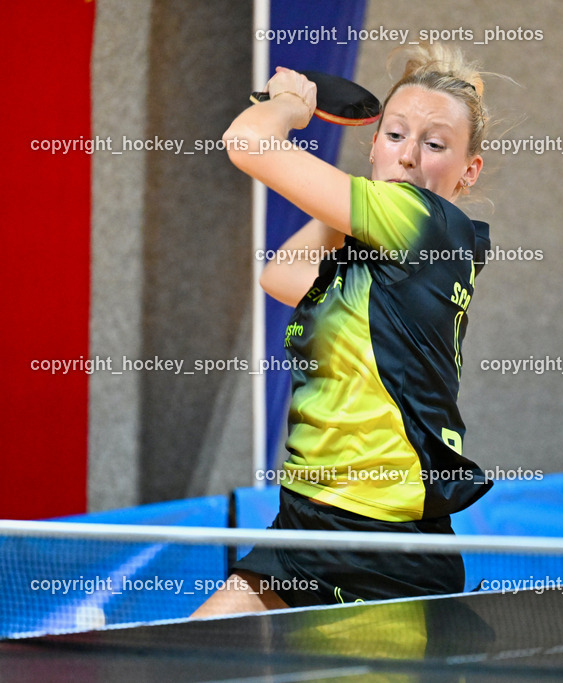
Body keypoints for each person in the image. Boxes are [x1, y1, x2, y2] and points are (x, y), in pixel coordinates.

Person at [192, 44, 495, 617]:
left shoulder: (426, 223)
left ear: (468, 172)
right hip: (305, 518)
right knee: (191, 655)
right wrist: (349, 201)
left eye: (435, 145)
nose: (409, 157)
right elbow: (280, 274)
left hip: (378, 541)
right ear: (374, 144)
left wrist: (284, 104)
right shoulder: (379, 259)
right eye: (396, 135)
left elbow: (248, 142)